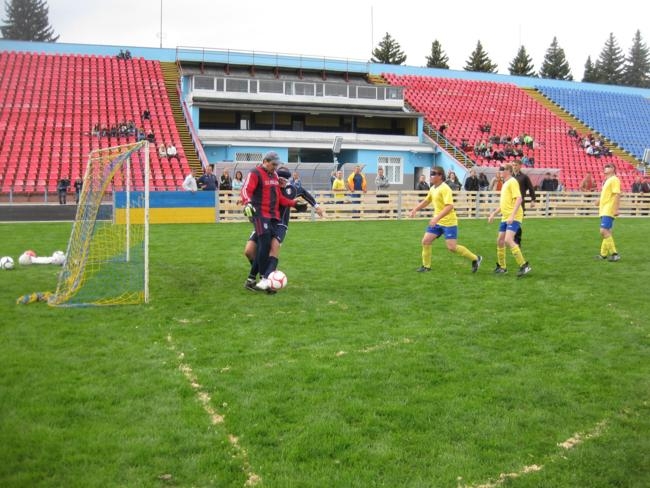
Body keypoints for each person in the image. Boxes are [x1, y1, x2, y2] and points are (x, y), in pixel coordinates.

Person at [243, 166, 323, 292]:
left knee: (273, 247)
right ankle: (266, 275)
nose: (282, 182)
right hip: (264, 220)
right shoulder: (269, 186)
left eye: (285, 180)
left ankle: (265, 279)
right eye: (280, 179)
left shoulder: (292, 189)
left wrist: (316, 206)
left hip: (281, 224)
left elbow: (305, 193)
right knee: (249, 251)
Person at [240, 151, 302, 292]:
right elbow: (246, 190)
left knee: (261, 248)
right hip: (260, 214)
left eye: (276, 165)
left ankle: (251, 279)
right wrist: (247, 203)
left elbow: (279, 197)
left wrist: (294, 203)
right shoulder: (255, 173)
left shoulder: (274, 176)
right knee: (264, 245)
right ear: (265, 161)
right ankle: (265, 277)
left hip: (273, 217)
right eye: (273, 164)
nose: (275, 167)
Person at [409, 166, 482, 274]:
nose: (431, 176)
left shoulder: (445, 188)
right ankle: (426, 266)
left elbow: (449, 206)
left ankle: (476, 258)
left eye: (433, 174)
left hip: (449, 222)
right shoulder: (433, 188)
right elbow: (427, 200)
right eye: (431, 173)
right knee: (425, 241)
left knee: (452, 247)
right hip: (437, 222)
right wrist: (415, 209)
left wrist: (436, 218)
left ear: (440, 176)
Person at [488, 163, 532, 277]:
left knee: (508, 239)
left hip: (514, 216)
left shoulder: (512, 182)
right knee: (500, 240)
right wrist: (493, 214)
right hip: (505, 216)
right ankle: (502, 267)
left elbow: (519, 199)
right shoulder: (505, 183)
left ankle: (524, 265)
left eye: (502, 169)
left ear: (508, 171)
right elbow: (504, 204)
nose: (500, 171)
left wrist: (512, 215)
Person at [595, 163, 621, 262]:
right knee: (607, 232)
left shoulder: (614, 179)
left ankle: (615, 254)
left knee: (603, 231)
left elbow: (617, 194)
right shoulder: (606, 181)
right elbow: (605, 194)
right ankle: (603, 255)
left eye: (608, 167)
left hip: (609, 209)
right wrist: (598, 201)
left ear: (613, 169)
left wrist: (616, 209)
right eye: (605, 167)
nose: (606, 168)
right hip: (603, 209)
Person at [511, 159, 536, 247]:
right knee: (510, 221)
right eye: (513, 165)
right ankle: (511, 239)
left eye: (516, 165)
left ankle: (517, 241)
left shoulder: (524, 177)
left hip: (520, 203)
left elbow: (531, 188)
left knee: (517, 222)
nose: (514, 167)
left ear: (520, 166)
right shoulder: (510, 177)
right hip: (510, 203)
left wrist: (533, 200)